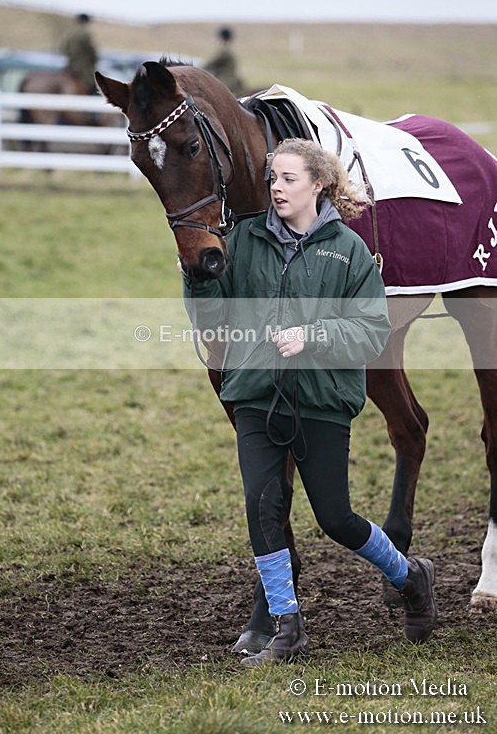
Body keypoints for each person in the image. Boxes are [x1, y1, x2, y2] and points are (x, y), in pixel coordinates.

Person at [183, 138, 437, 666]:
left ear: (317, 185)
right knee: (262, 508)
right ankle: (287, 627)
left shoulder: (349, 251)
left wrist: (312, 336)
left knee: (335, 518)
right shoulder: (244, 240)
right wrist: (197, 277)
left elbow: (371, 332)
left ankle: (410, 576)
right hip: (255, 395)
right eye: (272, 178)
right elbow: (212, 320)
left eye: (288, 178)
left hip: (322, 402)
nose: (276, 188)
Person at [58, 13, 98, 93]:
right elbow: (91, 50)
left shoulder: (70, 32)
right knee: (94, 81)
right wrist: (94, 59)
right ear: (86, 21)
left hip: (70, 63)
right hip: (82, 63)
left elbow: (63, 47)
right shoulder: (84, 33)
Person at [204, 26, 245, 96]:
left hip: (225, 81)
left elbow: (209, 64)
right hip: (233, 80)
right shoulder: (230, 49)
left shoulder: (224, 51)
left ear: (221, 38)